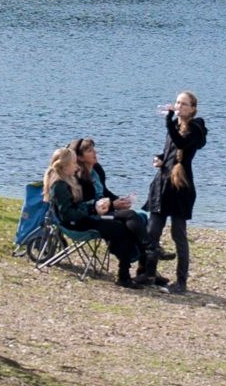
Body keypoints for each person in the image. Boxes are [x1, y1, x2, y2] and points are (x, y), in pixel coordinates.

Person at [48, 137, 160, 287]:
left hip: (90, 216)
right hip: (77, 223)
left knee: (131, 218)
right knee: (122, 227)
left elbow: (94, 199)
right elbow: (68, 214)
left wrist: (112, 203)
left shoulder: (72, 178)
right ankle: (134, 267)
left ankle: (141, 262)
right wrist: (96, 208)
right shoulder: (62, 184)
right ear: (65, 165)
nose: (76, 166)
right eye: (74, 163)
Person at [151, 91, 207, 294]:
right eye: (177, 102)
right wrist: (160, 158)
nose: (179, 106)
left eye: (184, 104)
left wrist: (168, 121)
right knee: (153, 231)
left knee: (178, 233)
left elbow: (183, 144)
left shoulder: (197, 128)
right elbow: (171, 150)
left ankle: (181, 281)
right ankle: (149, 273)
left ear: (192, 109)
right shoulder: (174, 126)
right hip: (163, 183)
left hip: (181, 186)